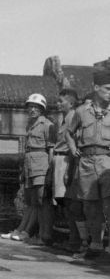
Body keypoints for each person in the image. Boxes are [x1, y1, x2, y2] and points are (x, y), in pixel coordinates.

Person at [66, 68, 110, 261]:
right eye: (108, 88)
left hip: (107, 161)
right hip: (85, 162)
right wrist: (73, 147)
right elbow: (69, 132)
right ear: (96, 87)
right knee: (90, 206)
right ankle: (95, 245)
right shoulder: (81, 111)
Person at [2, 94, 55, 244]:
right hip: (30, 165)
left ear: (42, 109)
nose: (32, 109)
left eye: (36, 107)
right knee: (30, 201)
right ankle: (21, 229)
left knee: (40, 200)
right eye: (30, 107)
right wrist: (23, 171)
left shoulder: (47, 125)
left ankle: (29, 231)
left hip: (41, 166)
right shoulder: (29, 125)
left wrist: (50, 171)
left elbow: (50, 150)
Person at [51, 89, 89, 254]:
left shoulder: (74, 117)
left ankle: (75, 240)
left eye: (61, 101)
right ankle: (72, 239)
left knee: (69, 202)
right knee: (64, 202)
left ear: (71, 103)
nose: (58, 104)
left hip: (68, 160)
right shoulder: (64, 118)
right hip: (61, 159)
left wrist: (69, 168)